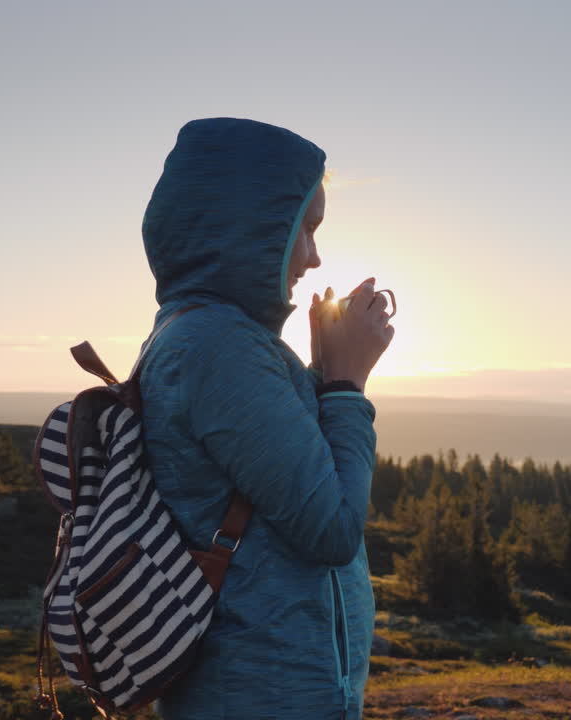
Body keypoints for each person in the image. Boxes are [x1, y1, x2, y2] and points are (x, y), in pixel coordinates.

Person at [135, 117, 394, 719]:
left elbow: (270, 475)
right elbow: (330, 529)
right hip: (261, 692)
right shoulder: (218, 345)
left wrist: (321, 372)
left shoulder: (215, 337)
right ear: (246, 226)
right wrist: (348, 385)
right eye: (301, 228)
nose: (312, 255)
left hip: (265, 685)